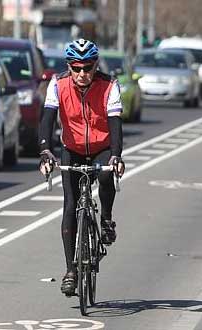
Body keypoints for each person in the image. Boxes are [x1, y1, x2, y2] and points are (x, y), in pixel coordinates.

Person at [38, 39, 125, 297]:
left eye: (87, 67)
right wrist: (45, 153)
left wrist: (116, 156)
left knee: (107, 176)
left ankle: (106, 218)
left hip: (101, 147)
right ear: (69, 66)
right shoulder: (58, 84)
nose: (82, 74)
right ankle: (70, 271)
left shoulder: (109, 85)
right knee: (70, 205)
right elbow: (46, 121)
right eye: (76, 68)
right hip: (72, 149)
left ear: (95, 65)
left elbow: (115, 124)